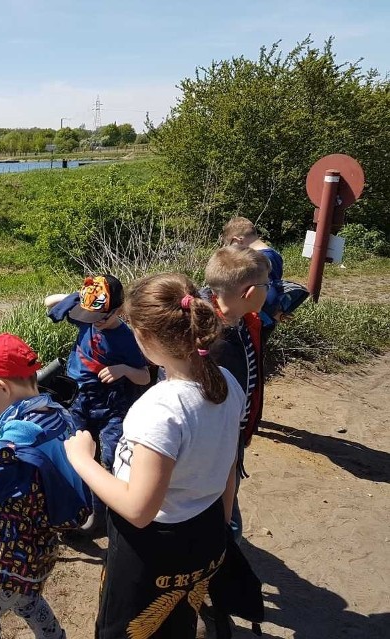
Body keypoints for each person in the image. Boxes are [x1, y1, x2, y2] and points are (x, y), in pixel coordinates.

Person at [64, 273, 245, 639]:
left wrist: (82, 459)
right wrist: (222, 523)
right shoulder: (226, 380)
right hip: (206, 530)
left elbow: (138, 509)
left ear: (144, 339)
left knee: (128, 630)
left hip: (153, 550)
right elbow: (229, 463)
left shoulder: (160, 408)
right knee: (179, 620)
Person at [0, 332, 90, 639]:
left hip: (0, 560)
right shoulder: (57, 414)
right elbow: (19, 465)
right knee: (27, 599)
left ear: (1, 387)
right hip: (37, 550)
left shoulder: (18, 436)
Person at [45, 275, 151, 532]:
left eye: (102, 317)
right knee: (76, 452)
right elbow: (48, 302)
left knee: (110, 455)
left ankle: (111, 513)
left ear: (120, 309)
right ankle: (84, 508)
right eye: (91, 315)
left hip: (110, 404)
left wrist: (123, 369)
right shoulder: (88, 315)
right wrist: (79, 299)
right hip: (78, 398)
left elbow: (146, 376)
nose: (96, 323)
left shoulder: (125, 338)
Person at [202, 244, 270, 543]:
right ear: (250, 292)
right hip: (214, 439)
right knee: (215, 502)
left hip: (234, 432)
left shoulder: (245, 322)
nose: (271, 290)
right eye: (267, 285)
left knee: (223, 496)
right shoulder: (208, 338)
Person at [221, 216, 285, 344]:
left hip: (259, 318)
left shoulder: (257, 260)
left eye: (231, 246)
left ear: (237, 240)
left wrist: (272, 312)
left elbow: (269, 293)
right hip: (268, 317)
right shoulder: (274, 254)